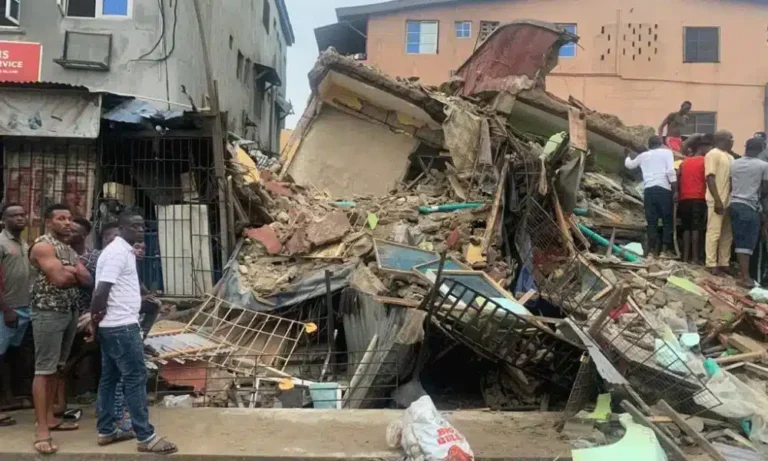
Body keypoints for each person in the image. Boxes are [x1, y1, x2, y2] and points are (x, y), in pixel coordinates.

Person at [92, 211, 177, 454]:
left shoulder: (123, 252)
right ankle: (146, 436)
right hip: (121, 326)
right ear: (121, 228)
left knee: (110, 378)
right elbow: (100, 292)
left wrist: (98, 321)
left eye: (142, 226)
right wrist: (96, 317)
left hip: (114, 325)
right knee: (135, 378)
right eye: (134, 226)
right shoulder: (117, 254)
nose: (140, 231)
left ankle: (106, 430)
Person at [28, 204, 91, 455]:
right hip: (48, 312)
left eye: (69, 219)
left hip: (69, 311)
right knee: (44, 369)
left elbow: (87, 280)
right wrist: (71, 272)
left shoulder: (68, 249)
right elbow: (60, 279)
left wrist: (72, 271)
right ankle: (42, 428)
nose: (67, 223)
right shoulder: (43, 246)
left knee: (57, 367)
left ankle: (52, 417)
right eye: (61, 219)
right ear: (48, 222)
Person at [0, 204, 30, 428]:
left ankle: (8, 399)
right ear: (3, 219)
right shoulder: (1, 243)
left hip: (23, 308)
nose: (20, 218)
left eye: (22, 214)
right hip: (6, 309)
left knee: (11, 356)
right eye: (14, 215)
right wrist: (7, 309)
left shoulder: (23, 243)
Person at [625, 136, 678, 257]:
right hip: (664, 189)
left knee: (652, 221)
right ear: (660, 143)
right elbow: (671, 171)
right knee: (667, 220)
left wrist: (627, 154)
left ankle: (651, 251)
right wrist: (675, 191)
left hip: (649, 190)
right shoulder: (667, 153)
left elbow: (629, 165)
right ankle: (664, 250)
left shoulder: (643, 155)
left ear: (649, 145)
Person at [729, 138, 768, 286]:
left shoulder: (735, 163)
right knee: (747, 242)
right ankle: (745, 277)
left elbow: (732, 184)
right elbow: (764, 191)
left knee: (739, 239)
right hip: (750, 206)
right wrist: (765, 215)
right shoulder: (763, 166)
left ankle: (744, 274)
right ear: (761, 149)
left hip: (734, 204)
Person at [678, 134, 713, 264]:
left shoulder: (684, 162)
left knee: (686, 228)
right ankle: (695, 258)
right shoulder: (705, 162)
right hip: (698, 198)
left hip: (684, 198)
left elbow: (678, 177)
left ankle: (685, 257)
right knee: (696, 229)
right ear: (702, 148)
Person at [705, 130, 736, 275]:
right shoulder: (713, 154)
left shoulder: (730, 157)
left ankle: (724, 262)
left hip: (729, 201)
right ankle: (711, 263)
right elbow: (710, 178)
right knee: (714, 232)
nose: (732, 141)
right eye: (730, 138)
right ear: (721, 139)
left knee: (727, 234)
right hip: (716, 200)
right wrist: (717, 200)